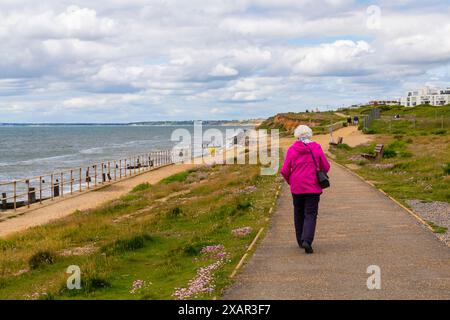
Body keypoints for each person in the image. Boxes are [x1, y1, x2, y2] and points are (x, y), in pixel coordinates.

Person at [280, 125, 330, 254]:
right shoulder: (317, 147)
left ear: (297, 135)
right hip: (313, 187)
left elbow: (284, 170)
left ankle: (300, 240)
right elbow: (326, 166)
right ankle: (307, 240)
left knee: (298, 213)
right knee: (311, 214)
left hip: (297, 187)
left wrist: (290, 181)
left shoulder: (292, 149)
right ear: (310, 134)